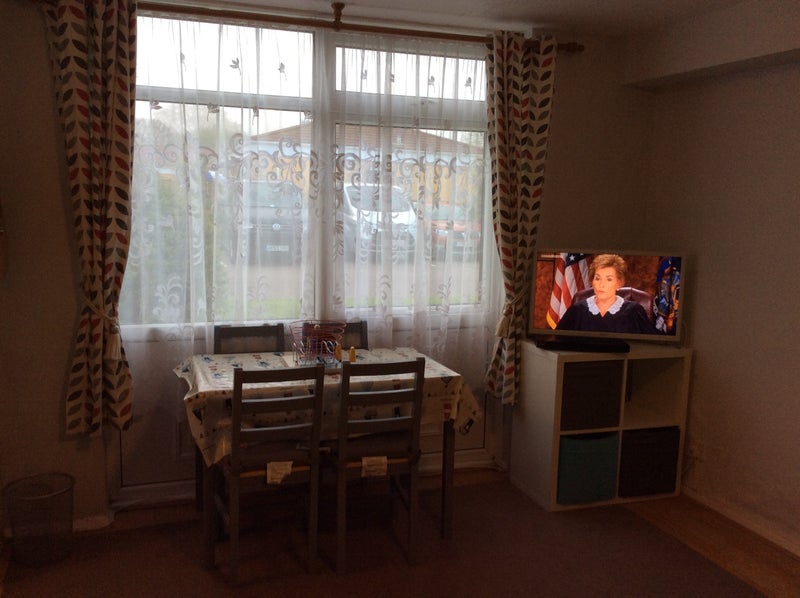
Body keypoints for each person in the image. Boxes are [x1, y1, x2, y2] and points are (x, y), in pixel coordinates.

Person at [556, 254, 659, 334]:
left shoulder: (634, 311)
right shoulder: (577, 310)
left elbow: (651, 343)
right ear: (592, 281)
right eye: (597, 278)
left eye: (609, 279)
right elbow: (558, 339)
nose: (602, 285)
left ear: (619, 283)